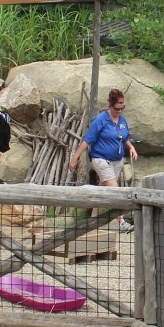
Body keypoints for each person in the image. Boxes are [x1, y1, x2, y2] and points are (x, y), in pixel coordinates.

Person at [69, 88, 139, 230]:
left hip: (117, 160)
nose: (120, 111)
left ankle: (92, 220)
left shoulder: (122, 120)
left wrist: (131, 147)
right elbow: (87, 140)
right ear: (110, 105)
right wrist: (75, 158)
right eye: (117, 108)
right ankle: (121, 223)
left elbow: (124, 137)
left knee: (102, 189)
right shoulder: (100, 120)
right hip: (101, 160)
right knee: (114, 190)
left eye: (122, 108)